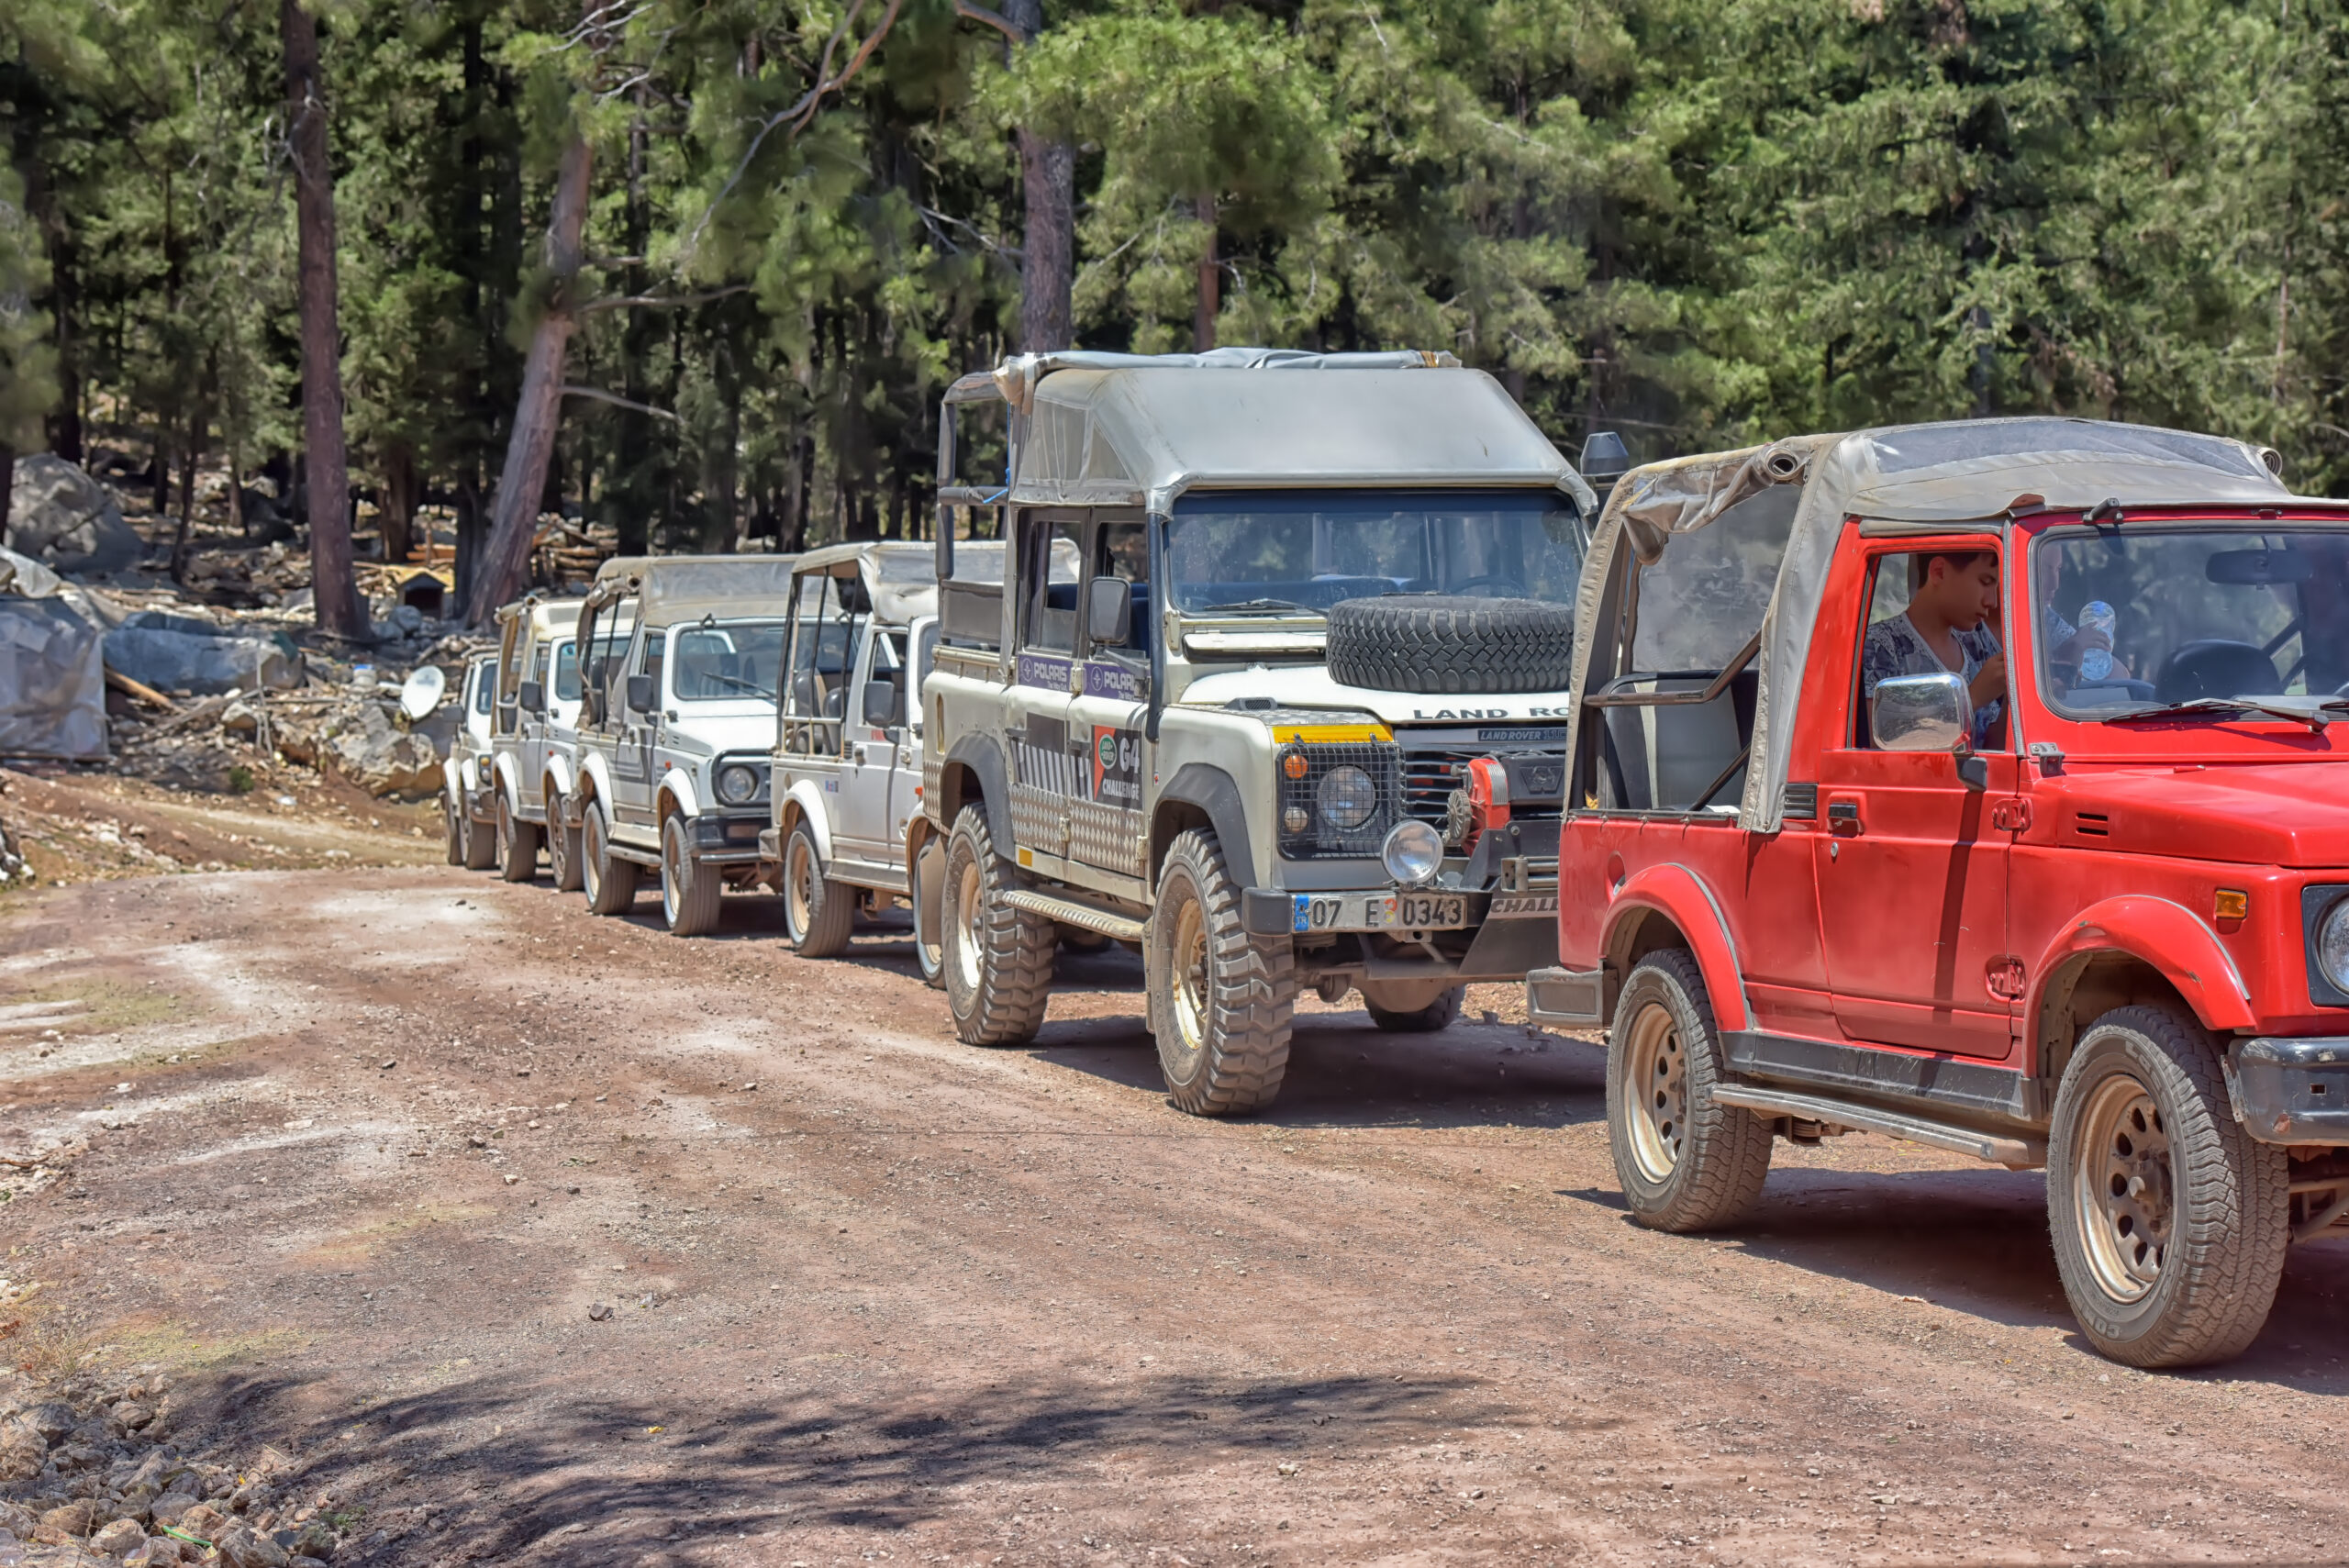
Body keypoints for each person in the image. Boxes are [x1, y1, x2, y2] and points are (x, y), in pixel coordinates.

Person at [1863, 550, 2006, 749]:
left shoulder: (1976, 643)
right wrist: (1972, 698)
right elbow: (1879, 745)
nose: (1992, 601)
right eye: (1985, 581)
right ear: (1939, 572)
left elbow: (1991, 746)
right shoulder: (1881, 644)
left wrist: (2010, 695)